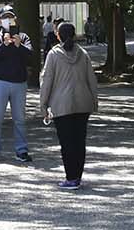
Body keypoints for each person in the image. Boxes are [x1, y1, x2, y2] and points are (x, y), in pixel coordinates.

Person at [38, 21, 99, 189]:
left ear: (58, 35)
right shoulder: (83, 54)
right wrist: (94, 101)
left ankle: (70, 178)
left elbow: (47, 81)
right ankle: (77, 177)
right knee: (80, 141)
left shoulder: (53, 54)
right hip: (83, 103)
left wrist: (43, 105)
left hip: (61, 105)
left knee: (67, 142)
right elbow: (91, 80)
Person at [0, 5, 32, 163]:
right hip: (0, 82)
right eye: (4, 17)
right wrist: (4, 45)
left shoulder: (23, 37)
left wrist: (19, 46)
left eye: (10, 17)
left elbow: (30, 57)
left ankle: (22, 150)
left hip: (19, 83)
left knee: (20, 119)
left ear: (15, 19)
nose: (7, 20)